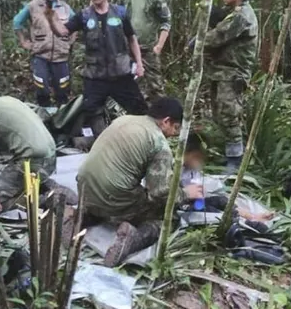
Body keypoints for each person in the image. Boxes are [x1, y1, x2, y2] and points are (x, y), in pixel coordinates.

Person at [76, 98, 205, 267]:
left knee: (116, 189)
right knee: (168, 219)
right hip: (113, 197)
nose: (174, 134)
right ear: (166, 121)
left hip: (84, 189)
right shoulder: (158, 143)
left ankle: (81, 216)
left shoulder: (124, 119)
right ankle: (133, 239)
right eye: (175, 128)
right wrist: (186, 193)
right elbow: (159, 193)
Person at [46, 0, 148, 137]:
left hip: (121, 73)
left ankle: (141, 140)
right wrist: (50, 15)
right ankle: (104, 141)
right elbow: (63, 31)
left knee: (139, 109)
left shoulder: (120, 13)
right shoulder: (84, 16)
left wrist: (139, 65)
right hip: (95, 76)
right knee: (92, 110)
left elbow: (131, 38)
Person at [0, 77, 78, 213]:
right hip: (49, 157)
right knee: (13, 182)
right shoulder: (6, 100)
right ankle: (46, 186)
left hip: (30, 161)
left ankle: (47, 198)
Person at [200, 0, 258, 174]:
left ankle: (235, 160)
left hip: (233, 74)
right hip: (222, 71)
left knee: (229, 115)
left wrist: (197, 43)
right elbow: (219, 19)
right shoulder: (233, 12)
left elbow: (218, 36)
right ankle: (230, 152)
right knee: (219, 113)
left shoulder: (242, 16)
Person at [13, 0, 76, 107]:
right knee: (42, 90)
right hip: (41, 55)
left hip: (61, 57)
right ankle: (44, 117)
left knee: (63, 90)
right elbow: (17, 22)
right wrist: (23, 42)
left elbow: (75, 25)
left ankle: (62, 120)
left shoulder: (65, 7)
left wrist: (69, 42)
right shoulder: (33, 6)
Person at [179, 132, 274, 221]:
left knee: (221, 201)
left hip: (195, 202)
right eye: (197, 156)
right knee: (209, 210)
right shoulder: (175, 169)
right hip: (181, 206)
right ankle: (244, 222)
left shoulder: (192, 169)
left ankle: (252, 217)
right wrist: (186, 193)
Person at [120, 0, 172, 101]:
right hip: (130, 50)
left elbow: (166, 21)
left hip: (149, 50)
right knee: (133, 87)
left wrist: (159, 46)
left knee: (155, 87)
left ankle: (162, 118)